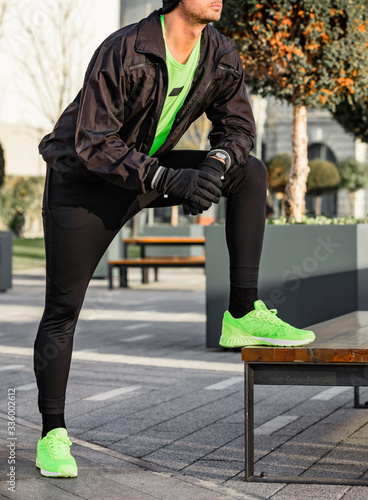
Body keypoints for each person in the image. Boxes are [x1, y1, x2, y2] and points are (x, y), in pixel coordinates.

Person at [34, 0, 315, 478]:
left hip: (148, 174)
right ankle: (52, 434)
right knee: (63, 310)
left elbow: (239, 128)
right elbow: (94, 142)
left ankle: (243, 314)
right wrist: (169, 178)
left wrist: (214, 164)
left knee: (249, 173)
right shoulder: (124, 49)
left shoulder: (219, 52)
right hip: (83, 185)